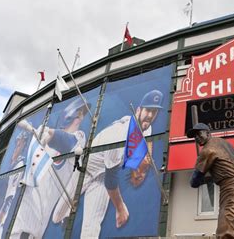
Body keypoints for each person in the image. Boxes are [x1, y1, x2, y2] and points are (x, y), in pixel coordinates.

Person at [52, 90, 164, 238]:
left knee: (92, 226)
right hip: (88, 167)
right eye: (148, 110)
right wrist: (120, 208)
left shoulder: (145, 126)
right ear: (138, 110)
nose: (150, 115)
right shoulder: (119, 134)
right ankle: (65, 217)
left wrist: (144, 164)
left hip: (103, 174)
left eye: (154, 112)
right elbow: (111, 181)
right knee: (57, 216)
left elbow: (146, 141)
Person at [10, 98, 89, 239]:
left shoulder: (78, 138)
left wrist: (49, 133)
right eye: (80, 114)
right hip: (18, 224)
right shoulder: (43, 142)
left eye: (82, 114)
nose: (81, 118)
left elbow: (67, 141)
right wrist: (41, 135)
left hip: (28, 229)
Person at [188, 123, 234, 239]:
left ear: (208, 133)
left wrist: (202, 176)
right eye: (194, 136)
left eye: (199, 133)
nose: (197, 138)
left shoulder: (207, 150)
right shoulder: (223, 143)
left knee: (224, 236)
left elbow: (194, 182)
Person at [0, 131, 28, 238]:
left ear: (23, 146)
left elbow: (10, 195)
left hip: (1, 213)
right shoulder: (10, 162)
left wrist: (0, 219)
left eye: (19, 145)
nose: (16, 147)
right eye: (17, 144)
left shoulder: (20, 164)